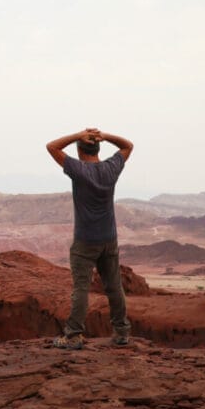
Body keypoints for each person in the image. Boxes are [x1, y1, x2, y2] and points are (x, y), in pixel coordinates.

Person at [45, 127, 134, 349]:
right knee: (114, 286)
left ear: (79, 149)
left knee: (81, 288)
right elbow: (128, 146)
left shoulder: (78, 169)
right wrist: (106, 136)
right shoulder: (111, 168)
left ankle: (73, 335)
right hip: (109, 238)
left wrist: (77, 135)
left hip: (85, 240)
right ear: (98, 148)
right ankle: (122, 332)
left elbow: (51, 147)